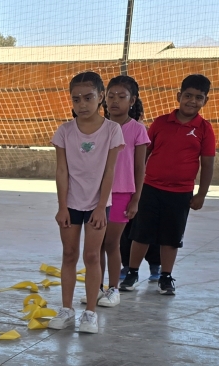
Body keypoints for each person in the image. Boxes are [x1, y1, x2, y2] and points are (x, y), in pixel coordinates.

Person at [120, 74, 215, 297]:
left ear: (205, 101)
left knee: (171, 238)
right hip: (150, 189)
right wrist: (134, 184)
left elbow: (208, 164)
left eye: (198, 98)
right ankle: (132, 273)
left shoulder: (204, 129)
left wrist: (201, 194)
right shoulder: (161, 123)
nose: (192, 101)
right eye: (188, 96)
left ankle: (166, 276)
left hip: (181, 193)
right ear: (178, 96)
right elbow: (144, 153)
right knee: (141, 234)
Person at [48, 72, 124, 334]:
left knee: (92, 256)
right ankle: (67, 309)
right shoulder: (65, 131)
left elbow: (109, 172)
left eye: (88, 98)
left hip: (98, 204)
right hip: (70, 202)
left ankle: (90, 313)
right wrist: (61, 206)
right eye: (76, 99)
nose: (82, 104)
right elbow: (61, 171)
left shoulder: (112, 130)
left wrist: (102, 206)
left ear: (100, 96)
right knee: (69, 254)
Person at [86, 75, 149, 308]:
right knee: (96, 246)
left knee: (111, 244)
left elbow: (140, 167)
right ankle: (98, 288)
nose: (115, 101)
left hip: (122, 194)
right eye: (110, 96)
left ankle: (114, 289)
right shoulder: (98, 127)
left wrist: (136, 199)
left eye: (121, 97)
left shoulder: (137, 130)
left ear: (132, 100)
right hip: (95, 194)